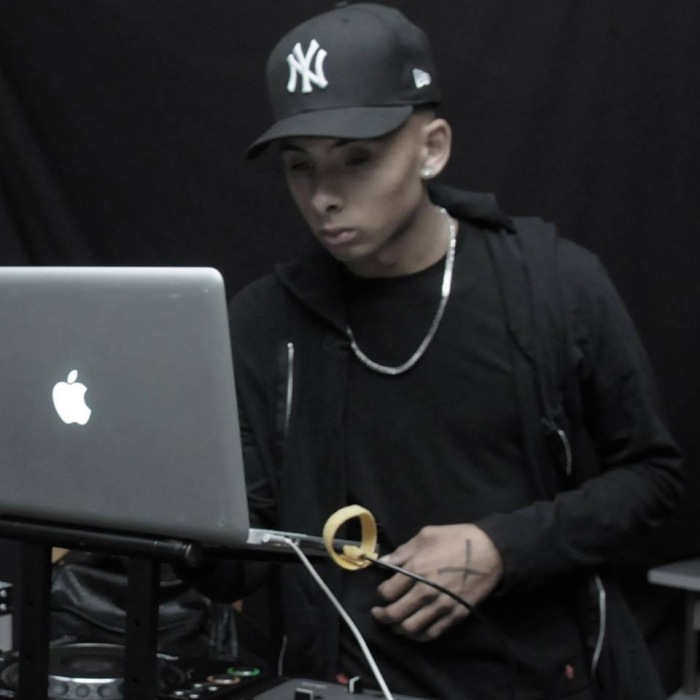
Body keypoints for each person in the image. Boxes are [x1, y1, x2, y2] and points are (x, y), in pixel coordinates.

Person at [187, 4, 684, 698]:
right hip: (337, 684)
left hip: (535, 681)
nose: (323, 196)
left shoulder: (553, 286)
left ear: (433, 148)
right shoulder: (264, 322)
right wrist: (173, 515)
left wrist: (504, 548)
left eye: (357, 159)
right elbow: (238, 565)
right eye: (300, 166)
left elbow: (656, 480)